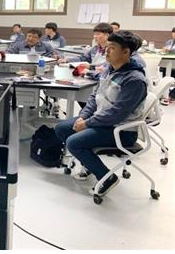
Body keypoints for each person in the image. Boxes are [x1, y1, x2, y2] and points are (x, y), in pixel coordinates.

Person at [54, 31, 147, 197]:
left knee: (73, 142)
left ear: (126, 52)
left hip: (121, 130)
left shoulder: (135, 79)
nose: (106, 51)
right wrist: (83, 116)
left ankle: (107, 177)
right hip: (102, 121)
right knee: (62, 128)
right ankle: (90, 165)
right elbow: (94, 98)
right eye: (106, 47)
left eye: (112, 48)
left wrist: (88, 123)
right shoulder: (109, 70)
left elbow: (117, 113)